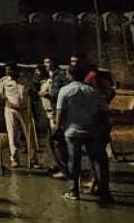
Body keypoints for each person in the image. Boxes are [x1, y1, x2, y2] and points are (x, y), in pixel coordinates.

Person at [56, 65, 112, 202]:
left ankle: (73, 190)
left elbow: (60, 111)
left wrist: (57, 128)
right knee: (97, 162)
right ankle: (104, 192)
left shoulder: (65, 90)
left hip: (72, 131)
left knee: (73, 161)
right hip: (92, 131)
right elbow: (104, 112)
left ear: (70, 75)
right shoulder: (93, 91)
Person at [0, 63, 39, 168]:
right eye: (6, 70)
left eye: (10, 70)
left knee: (30, 135)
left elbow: (33, 92)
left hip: (25, 110)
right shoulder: (4, 81)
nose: (8, 72)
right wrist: (8, 102)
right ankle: (14, 159)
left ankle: (33, 160)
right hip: (10, 110)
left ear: (16, 70)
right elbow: (2, 95)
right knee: (12, 135)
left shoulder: (25, 80)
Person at [40, 57, 70, 177]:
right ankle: (59, 165)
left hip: (58, 113)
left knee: (58, 141)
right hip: (50, 112)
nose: (46, 65)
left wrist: (49, 95)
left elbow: (63, 92)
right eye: (45, 62)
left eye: (48, 62)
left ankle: (65, 169)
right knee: (52, 141)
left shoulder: (61, 75)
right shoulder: (47, 76)